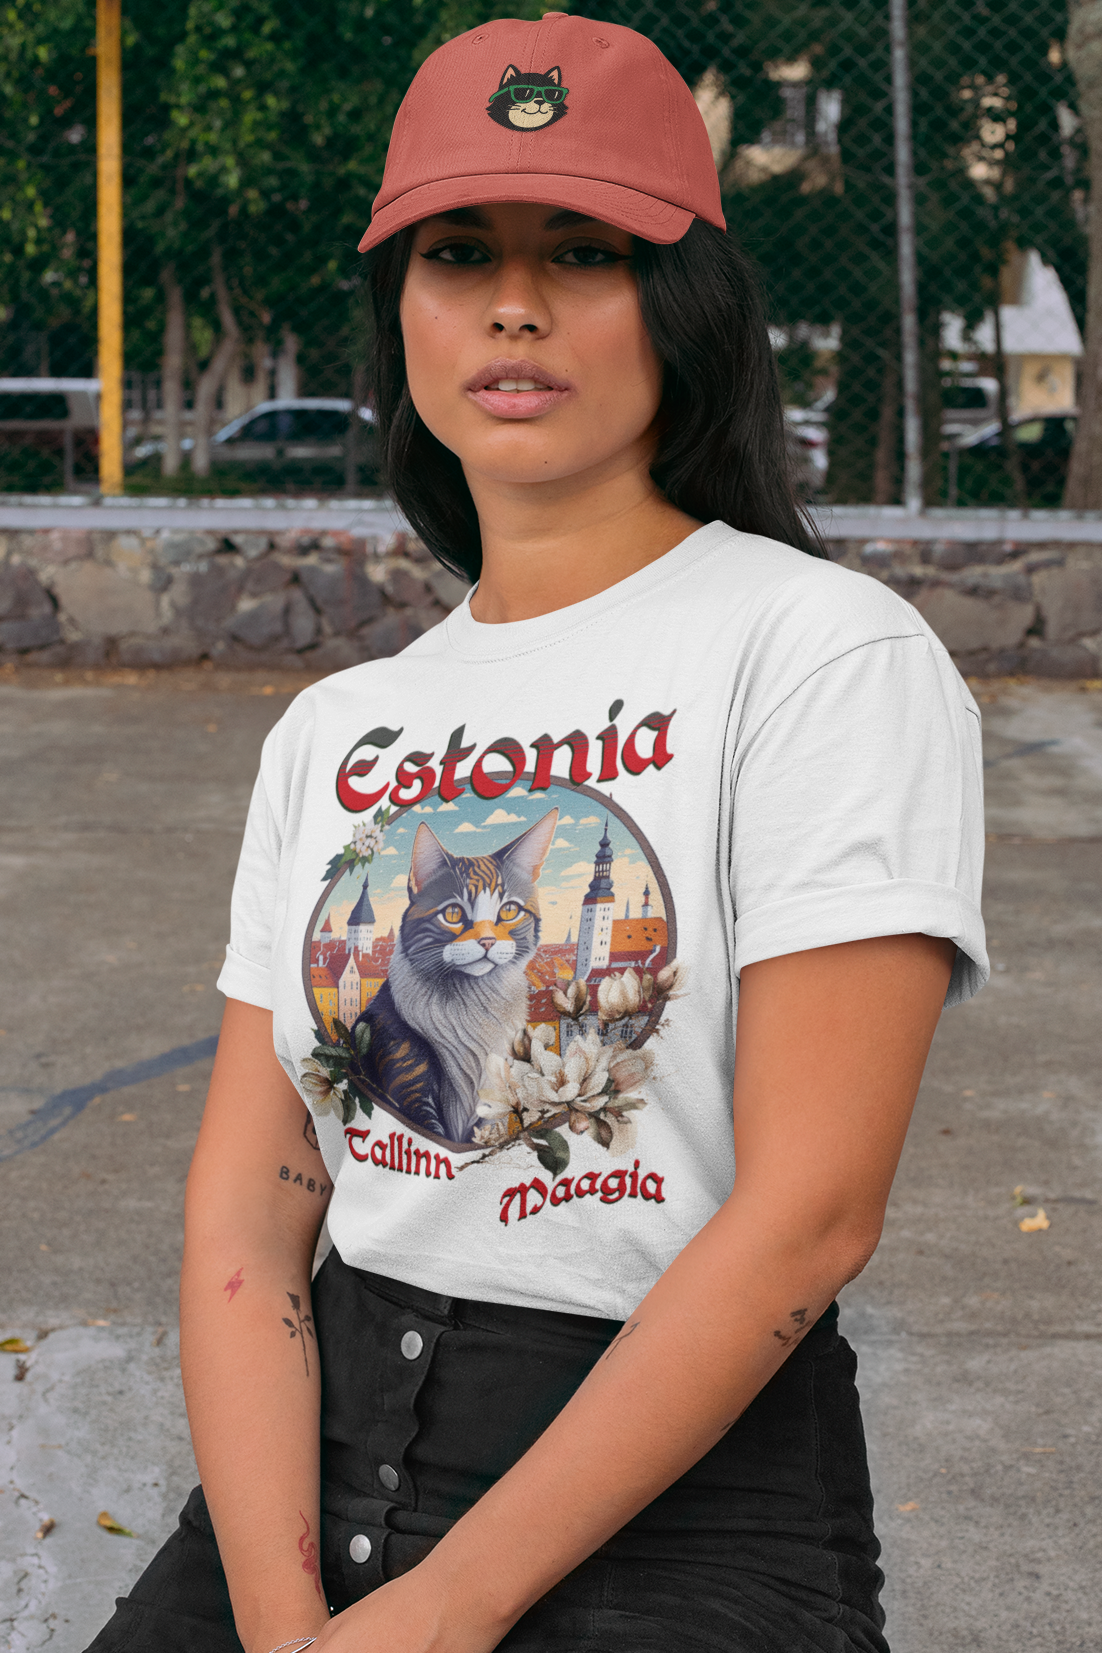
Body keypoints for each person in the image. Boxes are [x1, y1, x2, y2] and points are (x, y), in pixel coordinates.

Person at [87, 14, 987, 1653]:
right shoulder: (330, 733)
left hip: (674, 1485)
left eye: (583, 250)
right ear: (404, 315)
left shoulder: (818, 652)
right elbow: (251, 1205)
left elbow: (807, 1214)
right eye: (458, 253)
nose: (513, 300)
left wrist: (446, 1612)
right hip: (313, 1457)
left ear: (686, 307)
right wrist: (286, 1620)